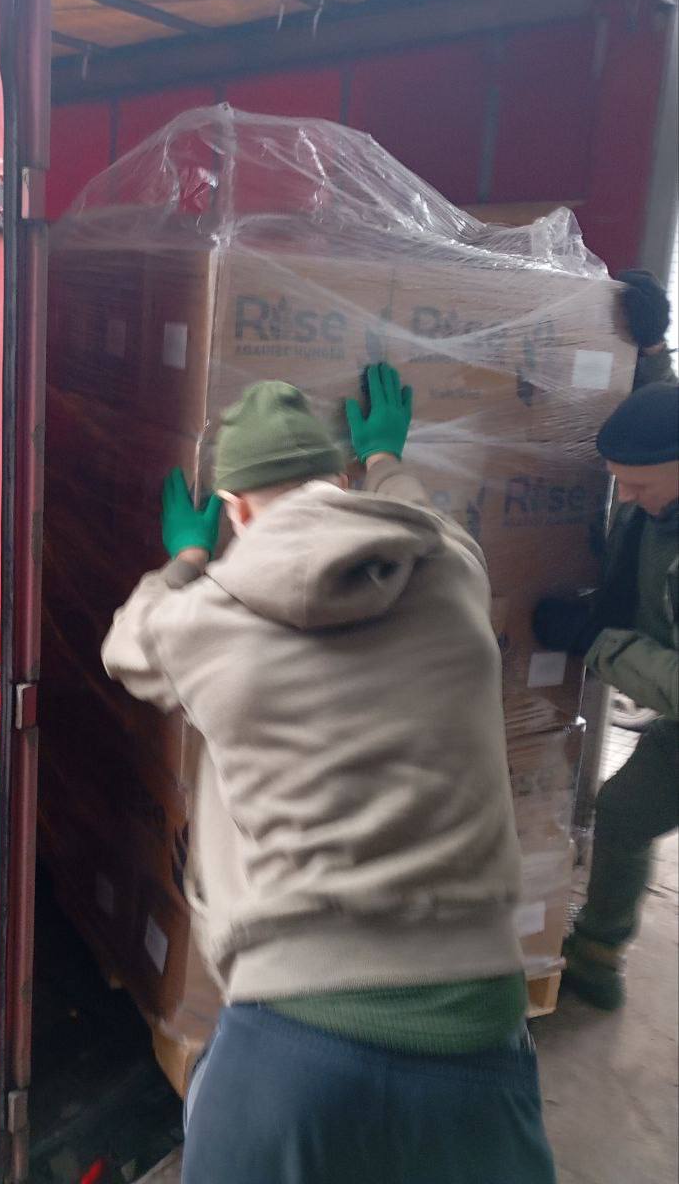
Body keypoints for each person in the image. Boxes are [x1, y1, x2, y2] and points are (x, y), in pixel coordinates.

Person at [102, 365, 556, 1184]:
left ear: (238, 510)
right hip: (477, 1030)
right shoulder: (453, 566)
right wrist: (386, 460)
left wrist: (187, 557)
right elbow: (419, 515)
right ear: (338, 480)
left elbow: (123, 645)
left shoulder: (199, 622)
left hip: (291, 1040)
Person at [533, 269, 677, 1011]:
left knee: (627, 809)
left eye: (641, 486)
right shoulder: (659, 483)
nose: (631, 497)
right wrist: (651, 348)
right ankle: (596, 956)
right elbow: (660, 418)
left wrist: (597, 640)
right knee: (623, 815)